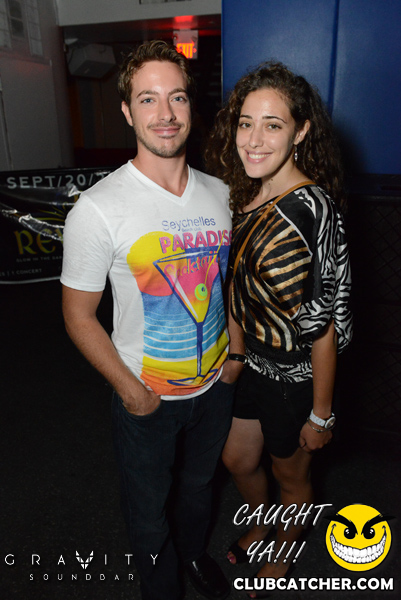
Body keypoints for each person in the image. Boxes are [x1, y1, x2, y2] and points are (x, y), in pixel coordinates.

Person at [61, 40, 242, 600]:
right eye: (148, 99)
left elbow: (227, 285)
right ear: (127, 111)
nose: (165, 113)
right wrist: (131, 392)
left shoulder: (222, 194)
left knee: (198, 489)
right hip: (147, 398)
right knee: (147, 510)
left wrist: (234, 356)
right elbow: (78, 316)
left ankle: (193, 556)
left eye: (177, 97)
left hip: (215, 387)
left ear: (191, 106)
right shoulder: (98, 208)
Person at [205, 61, 353, 597]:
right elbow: (238, 288)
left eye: (273, 125)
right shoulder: (246, 195)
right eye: (246, 123)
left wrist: (321, 413)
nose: (254, 139)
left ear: (301, 131)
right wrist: (236, 354)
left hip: (295, 374)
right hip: (254, 365)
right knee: (237, 458)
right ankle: (263, 523)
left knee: (292, 475)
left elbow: (323, 327)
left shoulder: (312, 209)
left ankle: (285, 546)